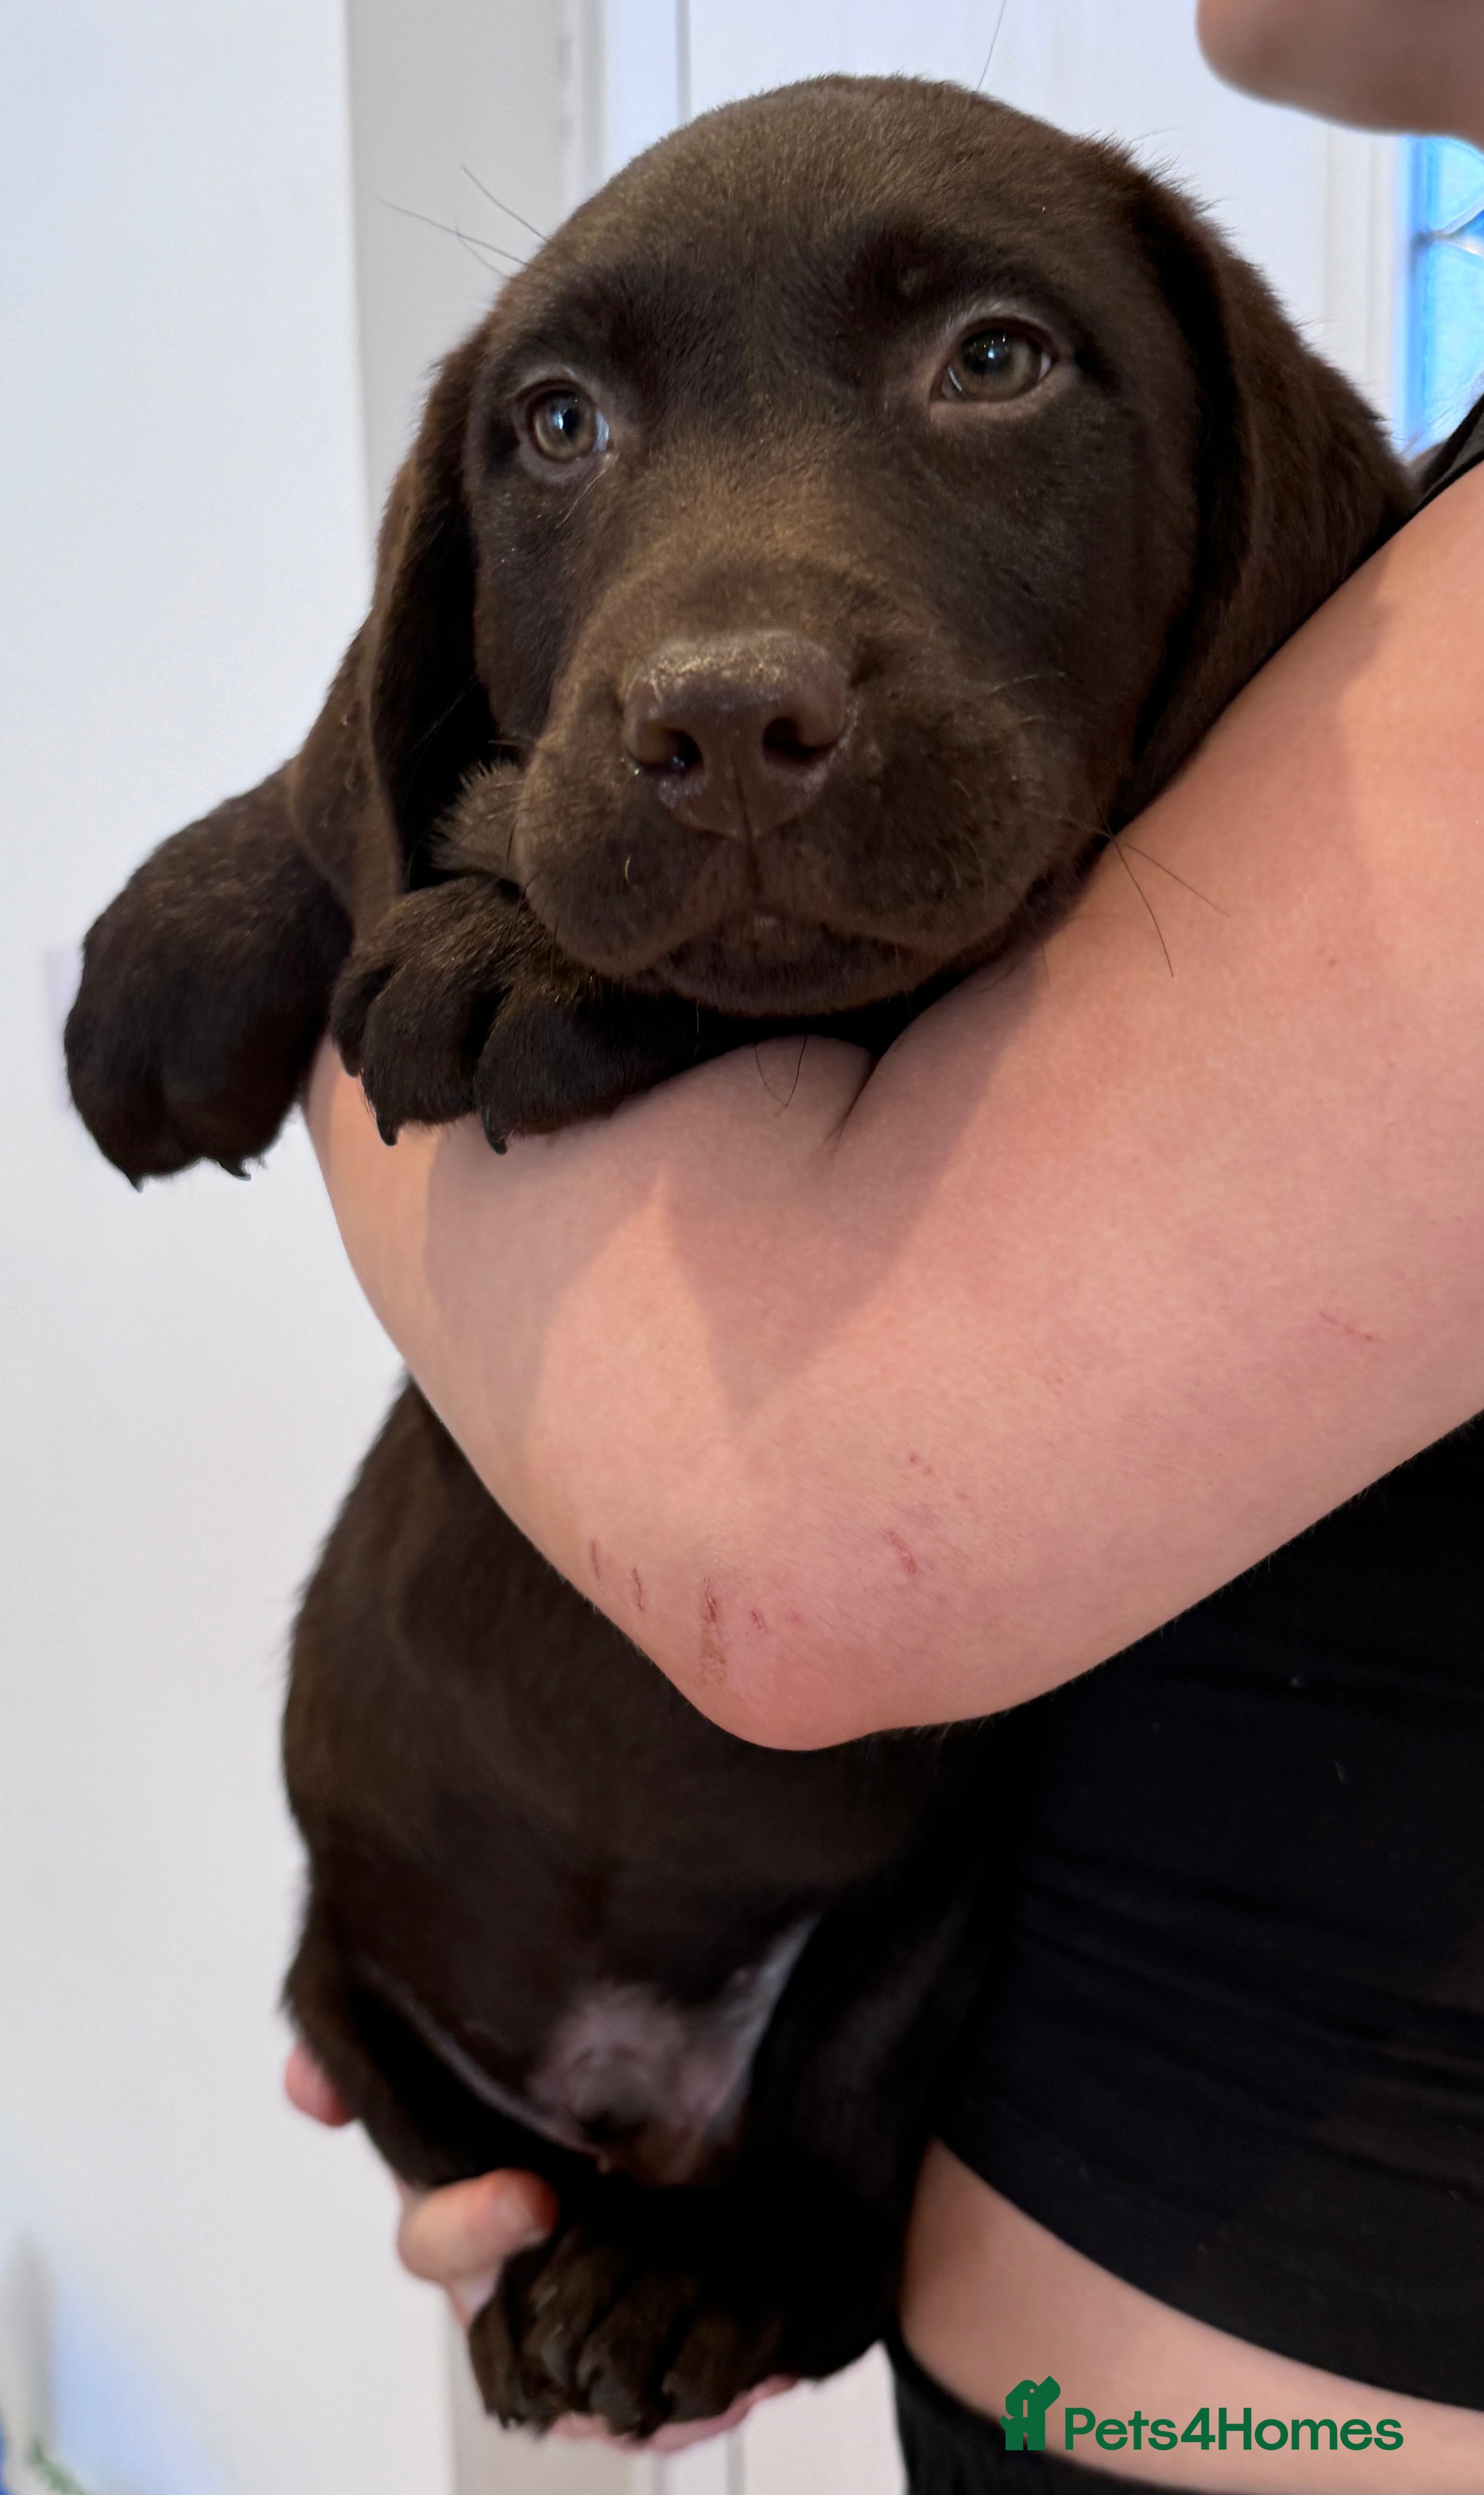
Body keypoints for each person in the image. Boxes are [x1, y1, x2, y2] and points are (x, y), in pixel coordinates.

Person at [290, 0, 1484, 2480]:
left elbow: (802, 1548)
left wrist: (326, 954)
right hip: (973, 2284)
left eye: (993, 357)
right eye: (563, 426)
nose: (724, 673)